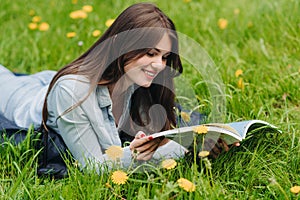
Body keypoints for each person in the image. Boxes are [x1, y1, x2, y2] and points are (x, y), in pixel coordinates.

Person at [0, 3, 232, 172]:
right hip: (21, 99)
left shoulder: (138, 81)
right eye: (151, 53)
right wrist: (185, 150)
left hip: (53, 83)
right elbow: (93, 166)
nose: (160, 65)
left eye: (164, 56)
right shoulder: (72, 93)